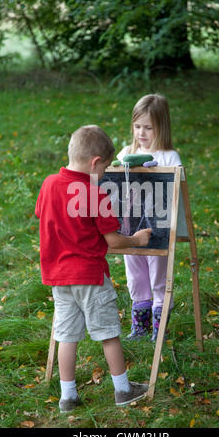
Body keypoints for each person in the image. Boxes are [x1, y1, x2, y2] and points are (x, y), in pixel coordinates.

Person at [35, 125, 151, 412]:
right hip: (90, 276)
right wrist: (136, 238)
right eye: (106, 167)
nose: (105, 174)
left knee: (67, 336)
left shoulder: (49, 184)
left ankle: (67, 397)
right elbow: (113, 240)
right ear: (95, 162)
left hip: (59, 279)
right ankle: (123, 390)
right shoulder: (94, 195)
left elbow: (43, 213)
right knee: (108, 333)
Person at [117, 94, 182, 341]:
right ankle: (140, 326)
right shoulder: (125, 154)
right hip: (130, 227)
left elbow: (178, 188)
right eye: (137, 127)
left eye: (148, 127)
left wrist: (158, 172)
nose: (141, 133)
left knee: (158, 275)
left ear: (161, 127)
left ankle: (159, 327)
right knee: (135, 275)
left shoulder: (169, 156)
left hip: (159, 227)